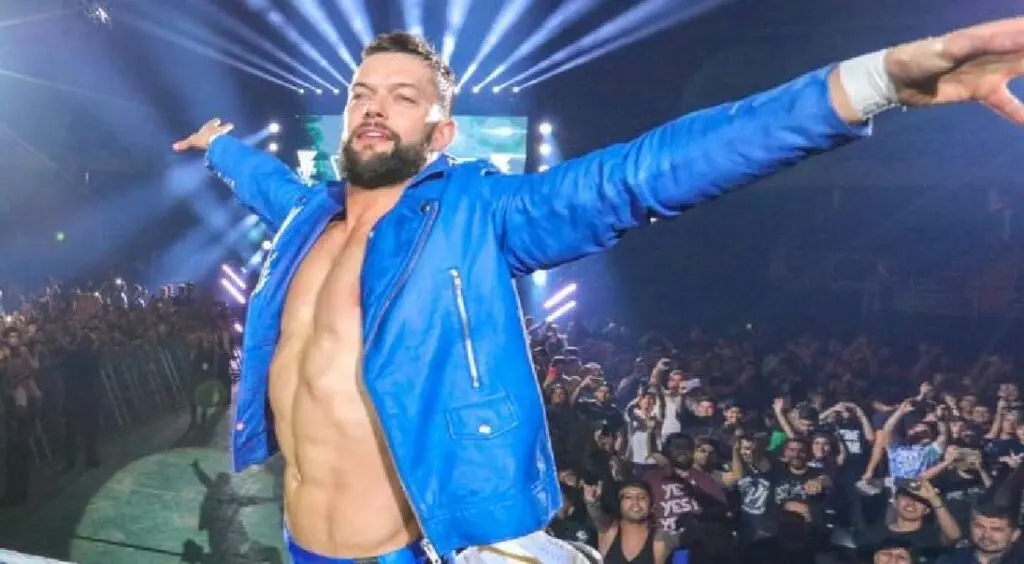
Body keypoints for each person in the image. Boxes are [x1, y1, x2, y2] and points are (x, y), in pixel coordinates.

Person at [172, 18, 1024, 564]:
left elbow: (639, 176)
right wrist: (218, 146)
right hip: (299, 543)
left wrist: (875, 82)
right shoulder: (305, 218)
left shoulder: (475, 215)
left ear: (442, 131)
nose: (372, 108)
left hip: (407, 548)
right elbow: (261, 177)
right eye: (362, 93)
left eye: (401, 97)